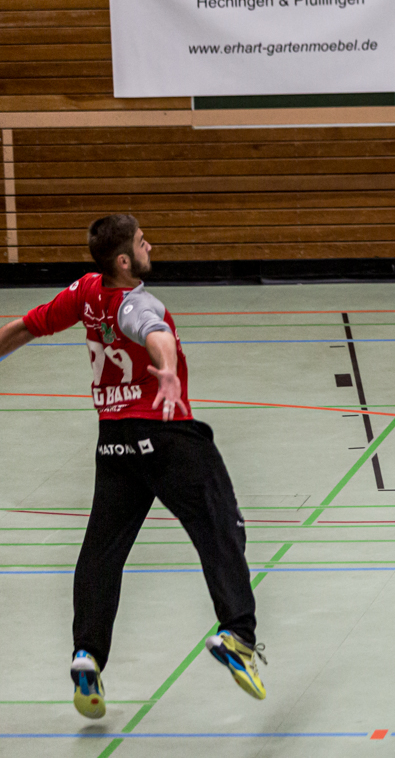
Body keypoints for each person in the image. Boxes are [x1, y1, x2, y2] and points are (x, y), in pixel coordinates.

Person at [0, 216, 264, 718]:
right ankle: (238, 635)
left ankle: (87, 653)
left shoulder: (85, 292)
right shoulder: (135, 302)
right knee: (221, 526)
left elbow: (26, 327)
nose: (150, 247)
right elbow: (152, 331)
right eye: (143, 243)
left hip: (114, 442)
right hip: (166, 435)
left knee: (102, 552)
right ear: (124, 261)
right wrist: (167, 371)